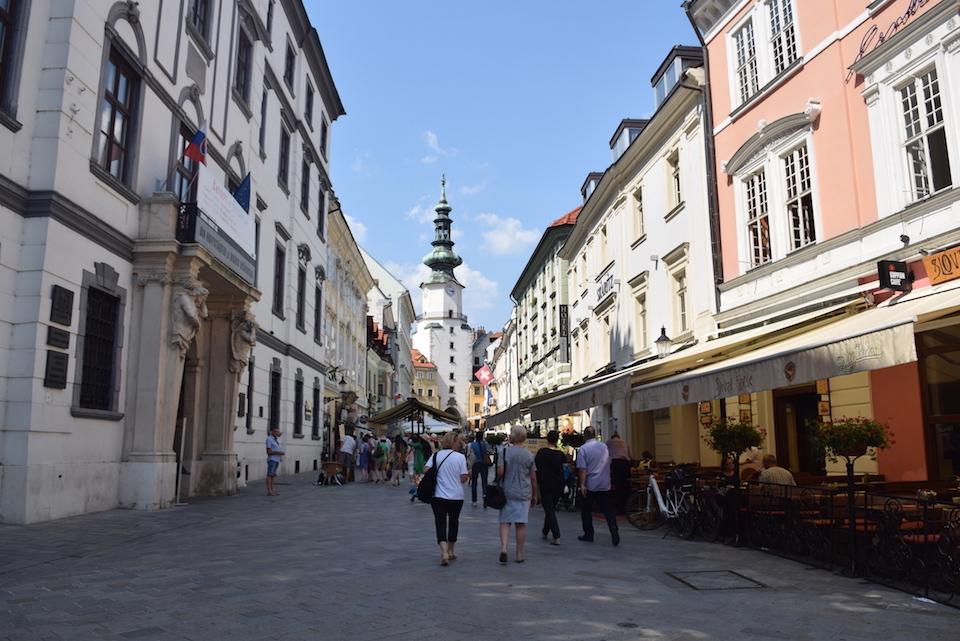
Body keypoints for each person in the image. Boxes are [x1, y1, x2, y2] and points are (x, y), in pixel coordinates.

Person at [423, 431, 469, 566]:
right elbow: (463, 478)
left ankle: (443, 552)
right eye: (458, 441)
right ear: (453, 442)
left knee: (440, 523)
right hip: (456, 496)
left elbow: (426, 470)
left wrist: (439, 474)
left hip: (438, 496)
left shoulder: (436, 455)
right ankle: (451, 551)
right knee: (454, 522)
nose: (460, 444)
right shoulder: (460, 457)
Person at [497, 425, 538, 563]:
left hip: (507, 491)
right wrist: (535, 494)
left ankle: (503, 548)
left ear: (512, 437)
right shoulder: (529, 455)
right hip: (524, 492)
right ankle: (519, 553)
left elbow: (500, 472)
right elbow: (533, 477)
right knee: (521, 523)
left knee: (505, 521)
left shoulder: (504, 452)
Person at [576, 426, 620, 546]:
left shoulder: (583, 449)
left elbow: (582, 469)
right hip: (604, 483)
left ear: (585, 436)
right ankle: (613, 528)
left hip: (591, 483)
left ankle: (589, 534)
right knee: (608, 509)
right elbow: (608, 463)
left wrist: (582, 484)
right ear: (595, 435)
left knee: (586, 510)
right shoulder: (604, 446)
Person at [535, 430, 566, 545]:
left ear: (547, 439)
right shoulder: (560, 455)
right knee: (550, 509)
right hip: (558, 485)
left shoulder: (541, 453)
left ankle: (556, 535)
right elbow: (565, 470)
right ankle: (545, 530)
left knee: (549, 510)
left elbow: (536, 469)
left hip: (545, 485)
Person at [606, 432, 632, 514]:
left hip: (616, 464)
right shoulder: (624, 442)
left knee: (617, 486)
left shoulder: (609, 442)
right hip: (625, 464)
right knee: (625, 485)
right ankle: (626, 506)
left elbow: (605, 455)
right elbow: (630, 455)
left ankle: (619, 507)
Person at [469, 431, 492, 506]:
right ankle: (485, 499)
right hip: (484, 464)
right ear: (482, 436)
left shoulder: (472, 444)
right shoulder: (486, 444)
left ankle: (474, 500)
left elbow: (470, 454)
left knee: (474, 482)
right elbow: (490, 451)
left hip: (475, 464)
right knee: (484, 482)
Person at [265, 426, 284, 496]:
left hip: (277, 459)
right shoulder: (269, 439)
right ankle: (269, 491)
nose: (277, 433)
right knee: (269, 475)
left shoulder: (276, 439)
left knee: (273, 475)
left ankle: (273, 490)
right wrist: (279, 453)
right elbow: (268, 451)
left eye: (278, 431)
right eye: (276, 431)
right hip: (272, 459)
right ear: (272, 431)